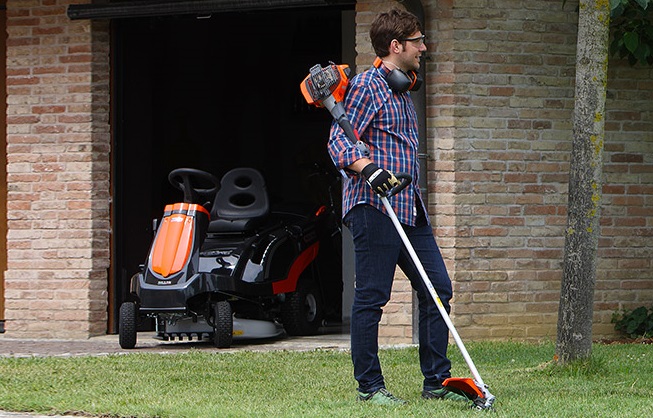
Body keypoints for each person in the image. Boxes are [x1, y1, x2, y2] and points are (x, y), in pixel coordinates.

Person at [327, 8, 468, 406]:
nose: (424, 47)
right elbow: (338, 142)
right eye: (417, 41)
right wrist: (368, 168)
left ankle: (436, 382)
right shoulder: (368, 86)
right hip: (374, 207)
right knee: (372, 296)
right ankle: (370, 388)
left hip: (408, 206)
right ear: (396, 46)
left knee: (438, 288)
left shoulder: (401, 87)